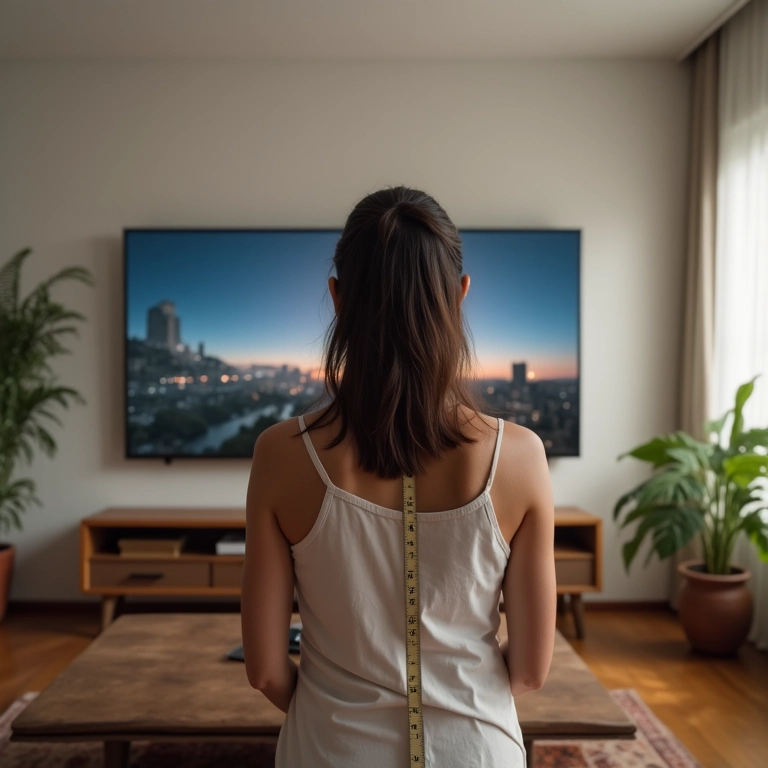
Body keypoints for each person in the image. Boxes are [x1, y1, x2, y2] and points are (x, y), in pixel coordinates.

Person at [241, 185, 556, 767]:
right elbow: (532, 671)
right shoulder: (521, 454)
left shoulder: (281, 453)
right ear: (460, 296)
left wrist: (329, 714)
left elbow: (262, 668)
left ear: (337, 298)